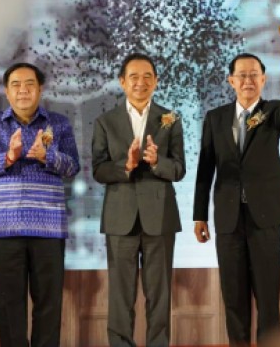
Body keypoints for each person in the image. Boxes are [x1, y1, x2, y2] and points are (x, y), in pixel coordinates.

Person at [193, 22, 280, 347]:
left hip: (264, 217)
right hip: (228, 218)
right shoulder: (215, 118)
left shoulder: (273, 111)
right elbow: (205, 168)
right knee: (234, 299)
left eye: (254, 75)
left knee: (268, 299)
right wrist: (199, 215)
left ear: (263, 79)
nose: (248, 80)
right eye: (241, 75)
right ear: (231, 81)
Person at [0, 62, 80, 347]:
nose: (23, 90)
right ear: (6, 91)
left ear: (40, 89)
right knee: (8, 305)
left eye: (29, 84)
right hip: (4, 227)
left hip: (48, 226)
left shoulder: (58, 123)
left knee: (48, 303)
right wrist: (8, 157)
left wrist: (47, 156)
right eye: (16, 85)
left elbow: (72, 166)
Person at [92, 53, 185, 347]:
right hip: (120, 217)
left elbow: (179, 169)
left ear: (155, 81)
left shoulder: (170, 119)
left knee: (160, 293)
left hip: (160, 216)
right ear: (122, 82)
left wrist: (157, 162)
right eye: (133, 77)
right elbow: (98, 170)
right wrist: (127, 166)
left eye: (147, 77)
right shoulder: (106, 121)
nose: (140, 82)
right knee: (120, 294)